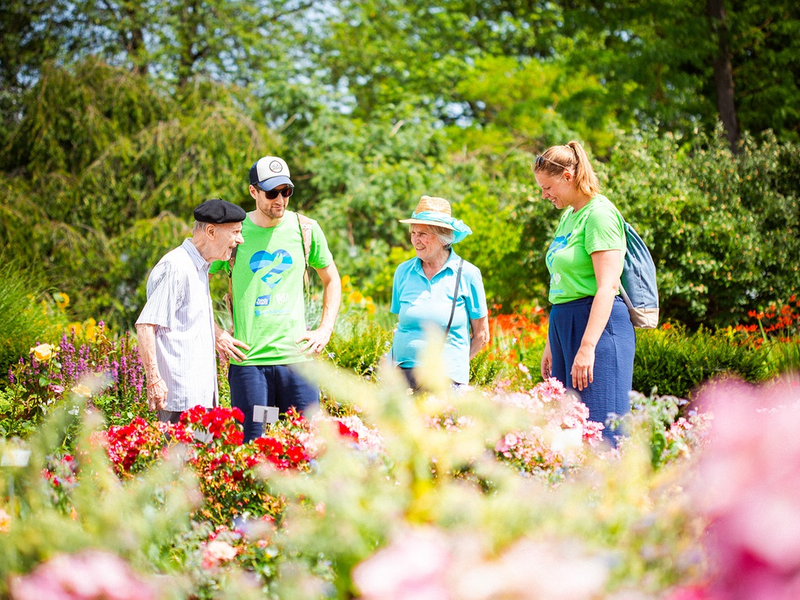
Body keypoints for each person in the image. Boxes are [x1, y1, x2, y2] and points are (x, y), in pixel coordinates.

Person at [211, 155, 342, 443]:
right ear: (253, 191)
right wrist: (216, 333)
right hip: (250, 366)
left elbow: (331, 279)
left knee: (305, 445)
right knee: (256, 445)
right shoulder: (235, 232)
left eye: (286, 192)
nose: (280, 200)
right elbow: (196, 285)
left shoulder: (305, 230)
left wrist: (325, 329)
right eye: (271, 193)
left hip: (298, 365)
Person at [533, 141, 635, 443]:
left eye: (547, 187)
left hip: (597, 327)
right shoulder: (568, 216)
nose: (544, 195)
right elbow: (562, 284)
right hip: (564, 323)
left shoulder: (599, 214)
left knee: (602, 427)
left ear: (568, 177)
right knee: (569, 429)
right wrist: (552, 342)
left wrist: (587, 346)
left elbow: (608, 285)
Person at [136, 198, 246, 423]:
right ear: (211, 232)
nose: (239, 240)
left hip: (198, 400)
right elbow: (146, 325)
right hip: (179, 402)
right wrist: (154, 381)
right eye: (235, 232)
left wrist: (216, 336)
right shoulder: (177, 267)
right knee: (178, 458)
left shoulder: (199, 266)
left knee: (198, 458)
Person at [390, 195, 489, 390]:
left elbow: (482, 335)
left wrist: (456, 367)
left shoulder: (467, 274)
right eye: (413, 233)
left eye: (423, 234)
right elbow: (402, 324)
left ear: (443, 237)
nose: (415, 240)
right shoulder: (403, 271)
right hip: (402, 376)